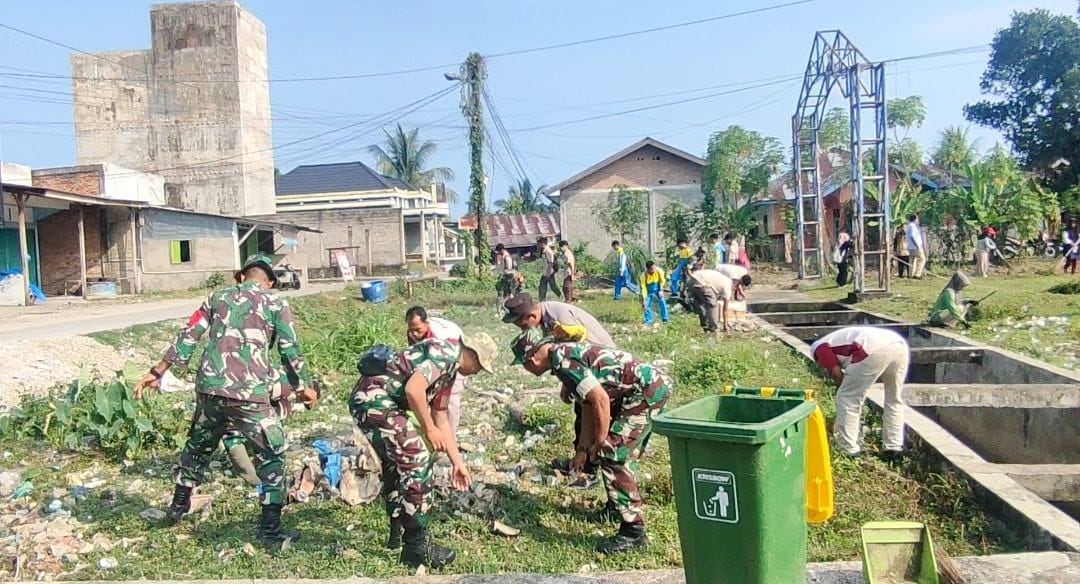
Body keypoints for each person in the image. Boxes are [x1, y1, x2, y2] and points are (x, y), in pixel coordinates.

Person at [133, 254, 316, 548]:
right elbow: (289, 348)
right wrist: (303, 386)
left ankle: (178, 506)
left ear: (241, 277)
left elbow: (189, 335)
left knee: (198, 445)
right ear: (269, 282)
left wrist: (158, 371)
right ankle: (269, 530)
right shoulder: (275, 303)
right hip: (249, 394)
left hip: (210, 389)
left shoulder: (217, 296)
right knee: (272, 455)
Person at [510, 328, 672, 553]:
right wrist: (583, 450)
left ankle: (633, 531)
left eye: (524, 364)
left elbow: (600, 400)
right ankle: (617, 507)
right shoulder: (562, 356)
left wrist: (601, 440)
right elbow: (586, 406)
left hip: (645, 390)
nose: (526, 369)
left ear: (533, 356)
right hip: (647, 386)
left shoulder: (564, 363)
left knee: (613, 455)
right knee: (615, 454)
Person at [349, 331, 497, 568]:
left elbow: (441, 418)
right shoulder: (445, 355)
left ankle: (397, 533)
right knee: (417, 460)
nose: (477, 372)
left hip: (378, 402)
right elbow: (414, 390)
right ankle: (416, 545)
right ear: (473, 355)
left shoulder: (449, 373)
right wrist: (428, 430)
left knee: (398, 464)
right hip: (374, 401)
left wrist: (457, 462)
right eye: (480, 367)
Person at [502, 293, 615, 490]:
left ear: (531, 317)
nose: (523, 330)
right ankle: (582, 461)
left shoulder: (559, 318)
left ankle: (589, 467)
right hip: (585, 369)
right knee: (582, 411)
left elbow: (577, 355)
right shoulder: (544, 321)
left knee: (591, 412)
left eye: (522, 326)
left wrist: (572, 382)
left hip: (604, 368)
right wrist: (567, 383)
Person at [810, 326, 910, 461]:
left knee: (847, 398)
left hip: (871, 348)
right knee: (894, 399)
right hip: (898, 345)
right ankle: (893, 449)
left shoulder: (818, 349)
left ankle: (848, 449)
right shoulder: (836, 339)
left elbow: (836, 373)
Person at [405, 306, 468, 435]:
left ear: (426, 323)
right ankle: (433, 431)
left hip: (457, 359)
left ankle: (450, 437)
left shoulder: (441, 338)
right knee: (428, 396)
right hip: (434, 359)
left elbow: (453, 360)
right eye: (411, 330)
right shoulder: (413, 331)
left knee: (449, 401)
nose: (414, 334)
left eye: (418, 330)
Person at [684, 265, 733, 334]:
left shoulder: (724, 280)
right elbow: (725, 309)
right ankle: (714, 329)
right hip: (701, 282)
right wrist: (725, 325)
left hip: (692, 280)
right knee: (713, 305)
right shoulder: (727, 287)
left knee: (701, 304)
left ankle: (705, 327)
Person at [639, 260, 669, 326]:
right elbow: (643, 288)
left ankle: (665, 318)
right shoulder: (643, 276)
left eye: (654, 268)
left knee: (662, 301)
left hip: (658, 289)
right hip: (648, 291)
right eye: (652, 269)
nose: (654, 270)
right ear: (648, 269)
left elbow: (662, 281)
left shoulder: (659, 271)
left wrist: (661, 290)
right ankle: (648, 319)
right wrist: (644, 299)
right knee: (646, 304)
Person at [905, 214, 926, 279]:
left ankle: (911, 274)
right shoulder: (913, 226)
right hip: (915, 246)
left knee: (912, 259)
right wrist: (917, 245)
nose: (918, 220)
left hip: (910, 246)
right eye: (917, 219)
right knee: (922, 259)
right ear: (915, 219)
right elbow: (912, 236)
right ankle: (917, 274)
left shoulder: (909, 225)